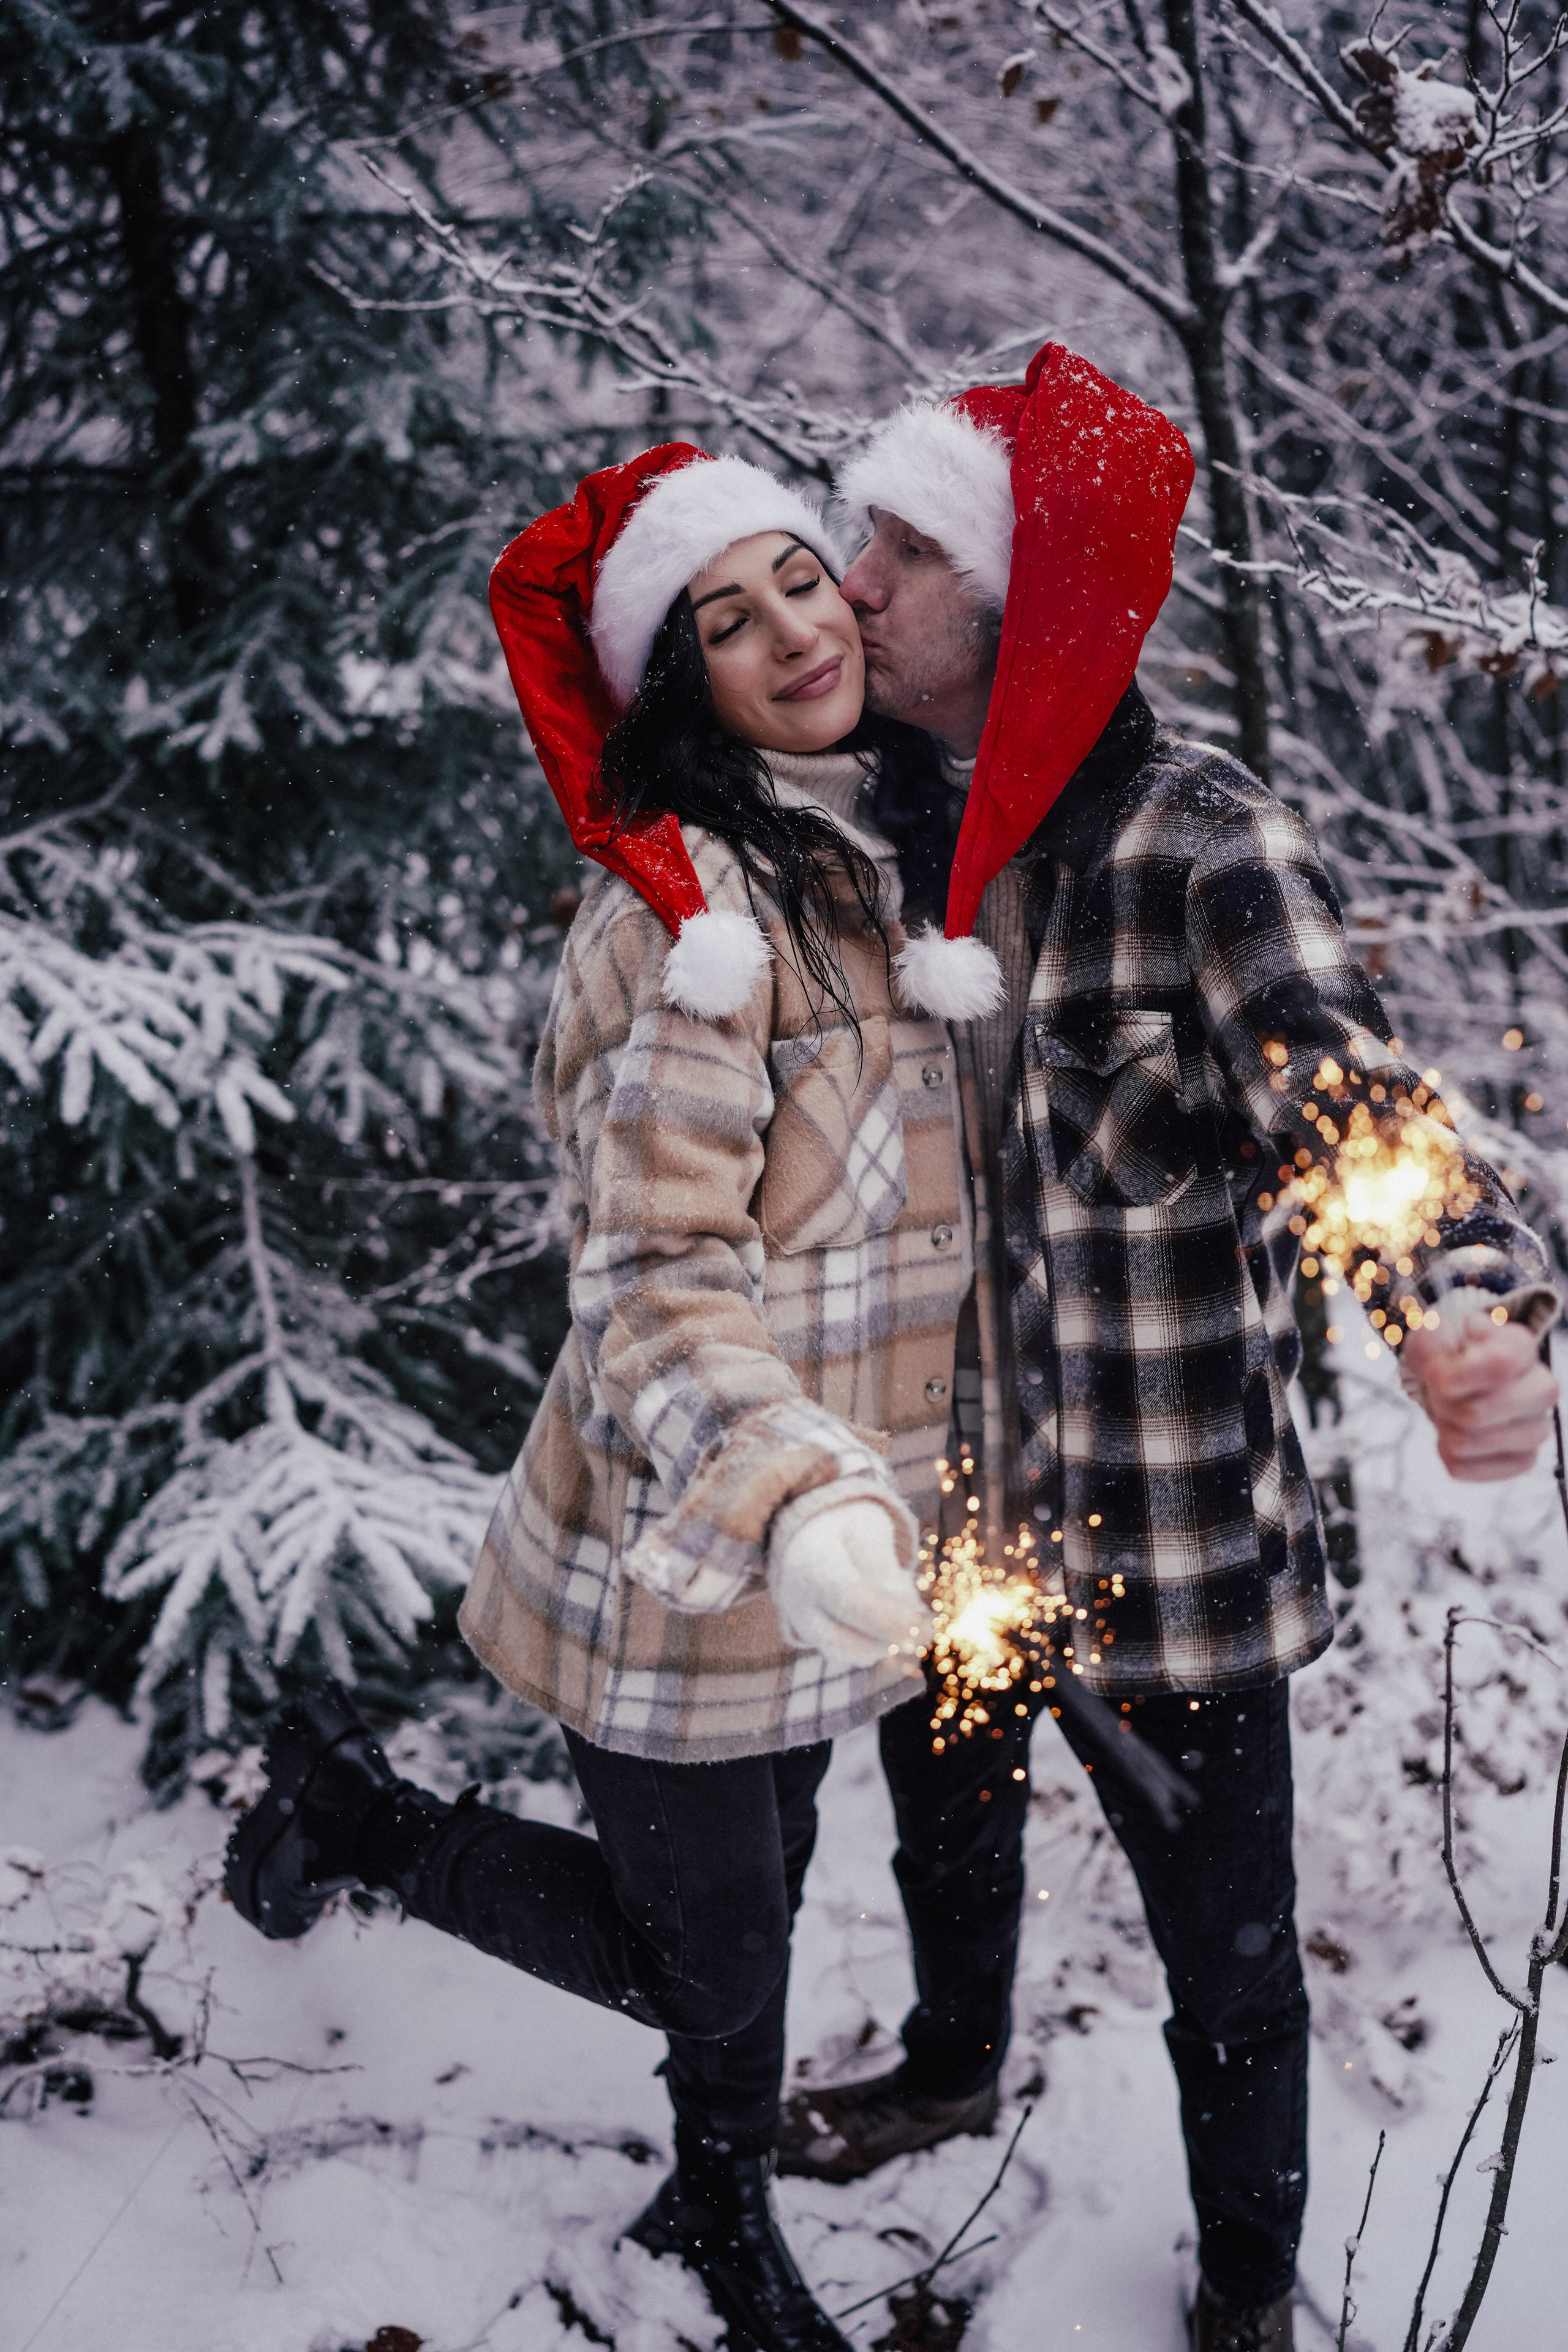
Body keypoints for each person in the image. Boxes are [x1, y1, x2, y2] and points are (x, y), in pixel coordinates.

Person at [768, 344, 1560, 2352]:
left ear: (1026, 603)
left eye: (899, 551)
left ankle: (1246, 2290)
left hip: (1170, 1546)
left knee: (1229, 1962)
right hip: (952, 1515)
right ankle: (951, 2066)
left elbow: (1359, 1115)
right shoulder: (875, 838)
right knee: (938, 1814)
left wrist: (1461, 1311)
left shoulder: (1202, 840)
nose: (849, 585)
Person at [224, 443, 979, 2352]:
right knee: (706, 1960)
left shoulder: (909, 863)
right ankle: (378, 1835)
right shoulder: (692, 924)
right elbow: (651, 1273)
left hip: (833, 1539)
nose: (796, 629)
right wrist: (795, 1490)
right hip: (691, 1533)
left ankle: (699, 2179)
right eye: (728, 619)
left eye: (804, 578)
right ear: (682, 683)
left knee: (767, 1899)